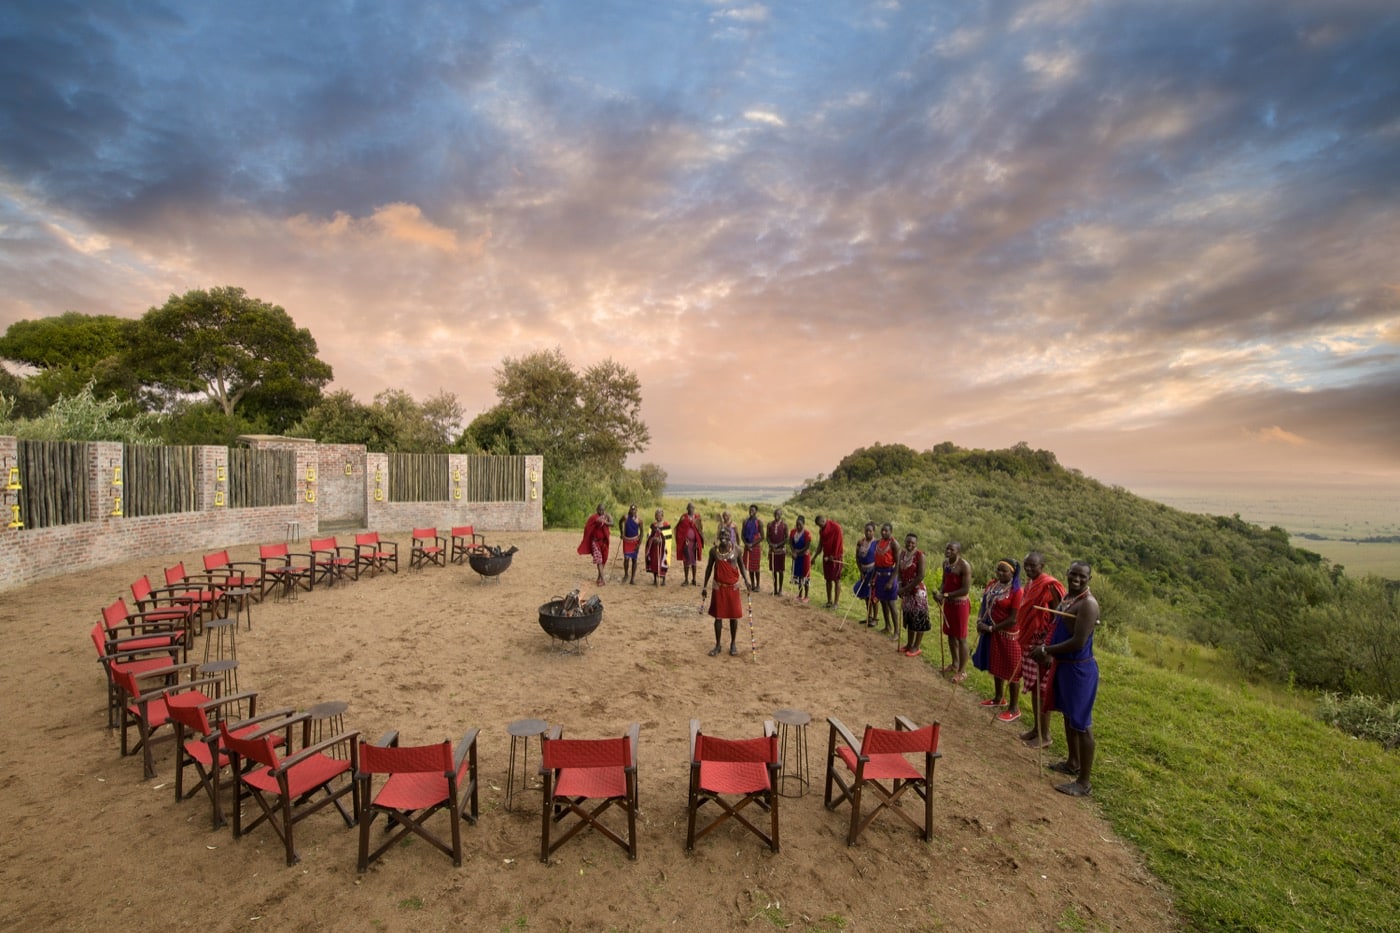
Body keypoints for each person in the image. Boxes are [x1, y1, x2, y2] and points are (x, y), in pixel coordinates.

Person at [1031, 561, 1100, 797]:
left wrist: (1047, 651)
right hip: (1064, 665)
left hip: (1079, 670)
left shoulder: (1088, 604)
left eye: (1082, 576)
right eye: (1073, 575)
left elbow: (1078, 642)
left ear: (1089, 579)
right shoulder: (1068, 599)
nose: (1077, 579)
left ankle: (1084, 782)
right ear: (1067, 574)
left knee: (1081, 724)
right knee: (1070, 718)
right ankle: (1072, 763)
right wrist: (1046, 649)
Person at [1017, 552, 1066, 746]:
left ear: (1042, 566)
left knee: (1042, 690)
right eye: (1026, 565)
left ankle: (1045, 736)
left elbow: (1058, 619)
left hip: (1043, 646)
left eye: (1033, 566)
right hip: (1030, 641)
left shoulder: (1050, 586)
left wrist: (1048, 650)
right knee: (1035, 688)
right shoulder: (1029, 584)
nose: (1029, 569)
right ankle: (1036, 729)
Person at [974, 558, 1023, 717]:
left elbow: (1013, 618)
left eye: (1005, 571)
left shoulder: (1017, 592)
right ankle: (998, 697)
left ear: (1012, 573)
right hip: (991, 631)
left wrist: (991, 628)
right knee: (996, 665)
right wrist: (980, 621)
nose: (1000, 573)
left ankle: (1014, 708)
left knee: (1012, 670)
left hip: (1008, 635)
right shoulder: (992, 584)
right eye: (998, 570)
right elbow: (984, 604)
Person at [701, 527, 751, 656]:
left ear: (731, 537)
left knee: (733, 617)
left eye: (726, 534)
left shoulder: (737, 550)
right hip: (719, 587)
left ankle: (733, 644)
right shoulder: (714, 551)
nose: (724, 536)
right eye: (721, 534)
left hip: (733, 588)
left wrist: (747, 580)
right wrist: (705, 586)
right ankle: (717, 645)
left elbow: (742, 566)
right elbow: (708, 569)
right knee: (718, 617)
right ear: (718, 536)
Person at [933, 541, 972, 682]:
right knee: (950, 634)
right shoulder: (946, 564)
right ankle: (955, 664)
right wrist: (940, 593)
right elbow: (944, 581)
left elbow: (965, 589)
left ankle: (962, 671)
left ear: (958, 552)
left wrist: (946, 595)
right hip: (949, 603)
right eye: (947, 548)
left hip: (960, 604)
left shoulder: (964, 566)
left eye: (952, 549)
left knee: (961, 637)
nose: (948, 551)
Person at [897, 532, 929, 656]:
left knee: (919, 619)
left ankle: (916, 646)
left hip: (917, 593)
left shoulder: (920, 556)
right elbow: (899, 572)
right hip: (906, 591)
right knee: (909, 618)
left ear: (916, 544)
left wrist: (905, 589)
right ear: (905, 542)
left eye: (913, 543)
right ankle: (909, 644)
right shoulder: (903, 554)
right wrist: (900, 585)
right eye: (908, 542)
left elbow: (920, 576)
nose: (910, 544)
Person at [872, 523, 900, 637]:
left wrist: (891, 581)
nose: (884, 532)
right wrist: (873, 578)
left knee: (891, 603)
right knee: (883, 601)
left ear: (891, 531)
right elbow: (876, 562)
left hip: (890, 575)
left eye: (886, 531)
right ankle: (887, 626)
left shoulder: (894, 544)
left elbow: (898, 564)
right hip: (880, 575)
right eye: (882, 530)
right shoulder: (878, 543)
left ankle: (897, 631)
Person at [814, 514, 845, 609]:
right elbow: (821, 545)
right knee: (828, 579)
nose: (820, 527)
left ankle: (836, 603)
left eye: (820, 525)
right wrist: (814, 557)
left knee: (836, 580)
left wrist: (833, 556)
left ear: (823, 521)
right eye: (818, 526)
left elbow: (839, 542)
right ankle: (829, 601)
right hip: (826, 557)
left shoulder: (836, 527)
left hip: (836, 558)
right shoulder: (821, 530)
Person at [852, 522, 879, 626]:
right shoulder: (860, 542)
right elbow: (857, 558)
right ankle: (869, 616)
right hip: (863, 571)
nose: (868, 533)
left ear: (873, 532)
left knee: (873, 596)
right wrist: (861, 572)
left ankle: (875, 619)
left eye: (870, 531)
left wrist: (874, 575)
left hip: (873, 572)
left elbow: (878, 560)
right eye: (866, 530)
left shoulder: (876, 544)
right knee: (867, 596)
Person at [576, 504, 609, 584]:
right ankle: (603, 580)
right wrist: (605, 519)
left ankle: (599, 578)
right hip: (595, 542)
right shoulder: (594, 517)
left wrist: (608, 516)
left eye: (603, 510)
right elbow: (598, 521)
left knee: (603, 560)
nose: (601, 512)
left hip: (603, 542)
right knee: (599, 560)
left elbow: (612, 523)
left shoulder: (605, 516)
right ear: (597, 509)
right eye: (600, 510)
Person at [674, 502, 705, 586]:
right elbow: (679, 529)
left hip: (694, 544)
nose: (691, 509)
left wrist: (697, 542)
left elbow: (700, 530)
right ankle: (686, 580)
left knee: (694, 562)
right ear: (687, 509)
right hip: (686, 543)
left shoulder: (697, 518)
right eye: (690, 508)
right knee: (686, 561)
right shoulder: (683, 517)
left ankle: (694, 579)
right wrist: (683, 540)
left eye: (693, 508)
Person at [765, 507, 789, 596]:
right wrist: (771, 545)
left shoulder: (784, 525)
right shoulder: (770, 524)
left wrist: (778, 545)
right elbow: (767, 536)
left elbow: (786, 538)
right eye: (775, 514)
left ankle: (780, 589)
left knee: (781, 570)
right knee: (774, 570)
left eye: (778, 514)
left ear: (781, 515)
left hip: (781, 551)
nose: (776, 516)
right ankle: (774, 589)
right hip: (772, 551)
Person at [789, 515, 812, 604]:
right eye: (797, 524)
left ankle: (806, 596)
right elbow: (790, 542)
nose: (798, 527)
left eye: (800, 525)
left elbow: (807, 546)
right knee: (798, 575)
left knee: (805, 576)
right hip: (796, 557)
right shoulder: (793, 532)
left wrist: (798, 552)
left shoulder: (807, 534)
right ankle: (799, 594)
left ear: (804, 524)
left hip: (804, 557)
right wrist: (793, 552)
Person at [645, 508, 672, 585]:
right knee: (654, 562)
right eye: (656, 515)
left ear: (662, 516)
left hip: (663, 548)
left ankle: (663, 580)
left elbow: (668, 538)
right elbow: (649, 536)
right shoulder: (653, 525)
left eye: (659, 515)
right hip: (654, 548)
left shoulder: (666, 525)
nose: (658, 517)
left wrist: (661, 540)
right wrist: (653, 539)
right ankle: (655, 580)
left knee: (662, 562)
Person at [741, 504, 764, 591]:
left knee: (756, 567)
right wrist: (746, 544)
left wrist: (752, 544)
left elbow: (762, 537)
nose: (751, 511)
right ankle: (753, 584)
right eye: (750, 510)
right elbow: (742, 535)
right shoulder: (745, 521)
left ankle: (758, 585)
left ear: (756, 512)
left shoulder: (759, 522)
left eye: (753, 510)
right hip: (747, 546)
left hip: (755, 546)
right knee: (750, 567)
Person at [620, 504, 643, 584]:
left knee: (634, 559)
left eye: (634, 509)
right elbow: (620, 522)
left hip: (635, 541)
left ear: (636, 510)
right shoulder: (625, 517)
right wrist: (621, 532)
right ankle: (626, 574)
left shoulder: (639, 520)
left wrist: (639, 544)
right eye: (631, 509)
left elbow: (642, 533)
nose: (632, 511)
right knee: (626, 558)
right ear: (629, 509)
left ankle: (632, 579)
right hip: (626, 541)